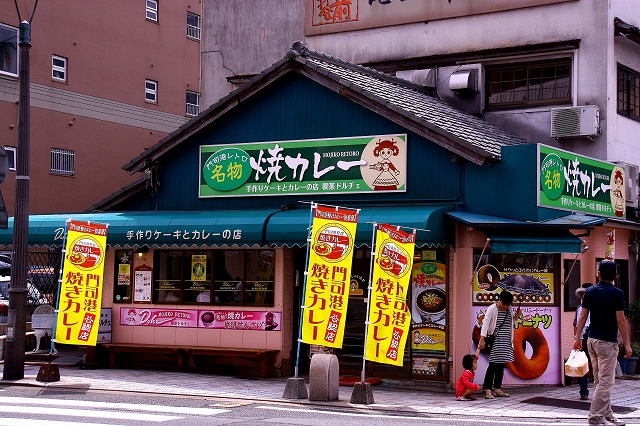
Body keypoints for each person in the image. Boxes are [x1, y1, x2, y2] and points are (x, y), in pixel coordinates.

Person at [574, 260, 631, 426]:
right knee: (605, 383)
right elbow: (620, 319)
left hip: (591, 340)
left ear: (598, 274)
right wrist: (627, 344)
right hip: (606, 342)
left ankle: (607, 414)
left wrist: (578, 338)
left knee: (600, 382)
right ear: (615, 276)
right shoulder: (617, 293)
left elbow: (583, 316)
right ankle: (595, 416)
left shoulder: (589, 291)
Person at [479, 290, 521, 399]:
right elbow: (485, 324)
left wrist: (517, 316)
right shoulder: (492, 309)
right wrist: (482, 339)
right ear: (500, 300)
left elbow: (512, 323)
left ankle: (497, 388)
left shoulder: (509, 309)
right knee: (493, 365)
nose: (506, 306)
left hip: (506, 340)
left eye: (508, 304)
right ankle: (488, 390)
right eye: (505, 304)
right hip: (495, 340)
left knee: (501, 365)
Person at [574, 283, 593, 400]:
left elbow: (577, 324)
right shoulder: (580, 308)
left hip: (586, 336)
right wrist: (577, 339)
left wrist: (577, 339)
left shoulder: (581, 308)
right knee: (586, 364)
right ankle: (584, 391)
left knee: (584, 364)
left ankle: (584, 391)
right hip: (589, 336)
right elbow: (576, 324)